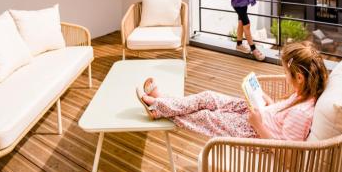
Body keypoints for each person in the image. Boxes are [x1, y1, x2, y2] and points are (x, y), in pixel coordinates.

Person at [136, 42, 328, 141]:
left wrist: (258, 125)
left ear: (300, 77)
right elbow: (280, 118)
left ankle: (158, 106)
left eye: (286, 73)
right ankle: (163, 102)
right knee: (208, 97)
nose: (285, 77)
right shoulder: (303, 94)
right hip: (258, 115)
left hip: (253, 132)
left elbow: (287, 154)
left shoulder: (301, 113)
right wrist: (269, 103)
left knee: (205, 116)